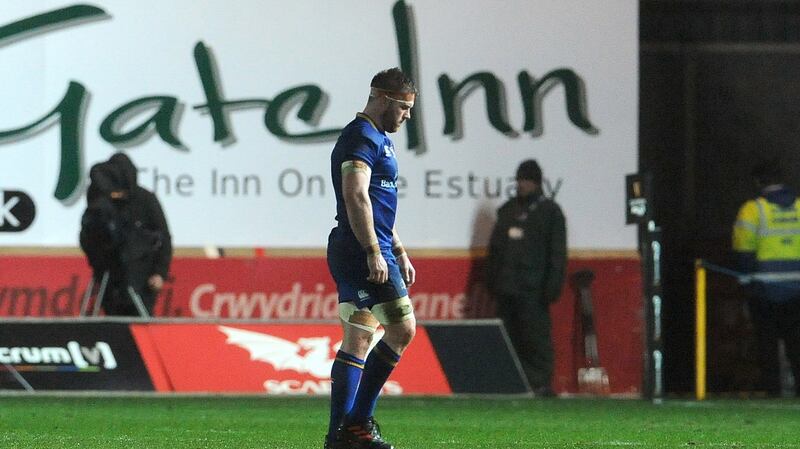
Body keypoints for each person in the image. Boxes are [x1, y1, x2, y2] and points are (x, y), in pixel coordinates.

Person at [324, 68, 417, 449]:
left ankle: (337, 439)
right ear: (381, 98)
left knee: (359, 338)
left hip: (362, 247)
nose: (407, 116)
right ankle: (357, 424)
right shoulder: (361, 136)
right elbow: (356, 196)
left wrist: (398, 248)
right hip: (361, 251)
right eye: (403, 108)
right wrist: (374, 252)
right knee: (402, 330)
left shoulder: (378, 138)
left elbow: (377, 205)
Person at [485, 159, 567, 396]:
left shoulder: (550, 212)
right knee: (508, 340)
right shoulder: (508, 210)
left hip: (534, 290)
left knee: (535, 339)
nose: (522, 185)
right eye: (520, 180)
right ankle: (511, 383)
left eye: (527, 180)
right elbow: (495, 251)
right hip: (506, 288)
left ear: (537, 183)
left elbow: (557, 253)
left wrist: (552, 286)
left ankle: (539, 383)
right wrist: (493, 281)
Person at [733, 160, 800, 397]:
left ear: (758, 182)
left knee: (767, 344)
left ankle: (773, 392)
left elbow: (743, 249)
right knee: (796, 344)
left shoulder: (752, 210)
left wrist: (745, 278)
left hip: (764, 291)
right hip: (797, 291)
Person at [79, 152, 172, 316]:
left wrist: (160, 272)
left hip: (142, 278)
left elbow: (164, 237)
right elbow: (90, 236)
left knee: (140, 317)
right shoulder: (101, 202)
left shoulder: (145, 200)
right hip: (109, 275)